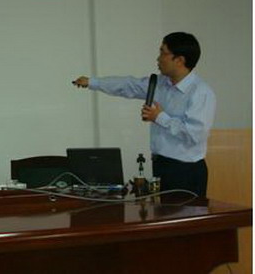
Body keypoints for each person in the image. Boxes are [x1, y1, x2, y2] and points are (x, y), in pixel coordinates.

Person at [72, 32, 216, 196]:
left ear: (179, 60)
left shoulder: (200, 93)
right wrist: (93, 82)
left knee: (184, 213)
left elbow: (195, 134)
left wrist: (159, 117)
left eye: (163, 53)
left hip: (186, 172)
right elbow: (129, 85)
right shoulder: (160, 83)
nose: (158, 58)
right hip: (161, 166)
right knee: (162, 212)